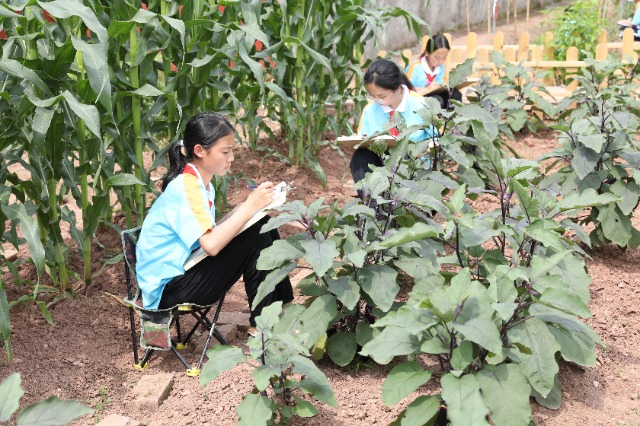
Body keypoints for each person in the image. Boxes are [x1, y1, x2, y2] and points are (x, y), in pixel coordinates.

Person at [135, 112, 293, 327]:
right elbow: (211, 244)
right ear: (199, 151)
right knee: (258, 232)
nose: (232, 158)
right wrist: (249, 206)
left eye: (232, 151)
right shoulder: (186, 187)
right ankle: (265, 326)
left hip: (182, 273)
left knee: (262, 223)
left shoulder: (201, 184)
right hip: (168, 290)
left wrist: (252, 208)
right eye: (225, 151)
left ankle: (279, 309)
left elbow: (210, 233)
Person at [350, 59, 436, 195]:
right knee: (359, 158)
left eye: (381, 96)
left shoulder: (421, 105)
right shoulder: (369, 110)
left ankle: (408, 207)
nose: (377, 100)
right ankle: (375, 207)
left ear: (397, 88)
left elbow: (438, 140)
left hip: (414, 166)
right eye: (373, 96)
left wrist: (427, 150)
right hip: (381, 166)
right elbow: (363, 140)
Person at [406, 34, 462, 109]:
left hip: (434, 95)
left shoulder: (441, 67)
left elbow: (440, 86)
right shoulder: (415, 68)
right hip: (417, 100)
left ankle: (456, 119)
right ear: (427, 53)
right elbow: (406, 91)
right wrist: (425, 89)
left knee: (455, 94)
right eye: (436, 57)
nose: (440, 61)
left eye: (444, 58)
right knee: (437, 100)